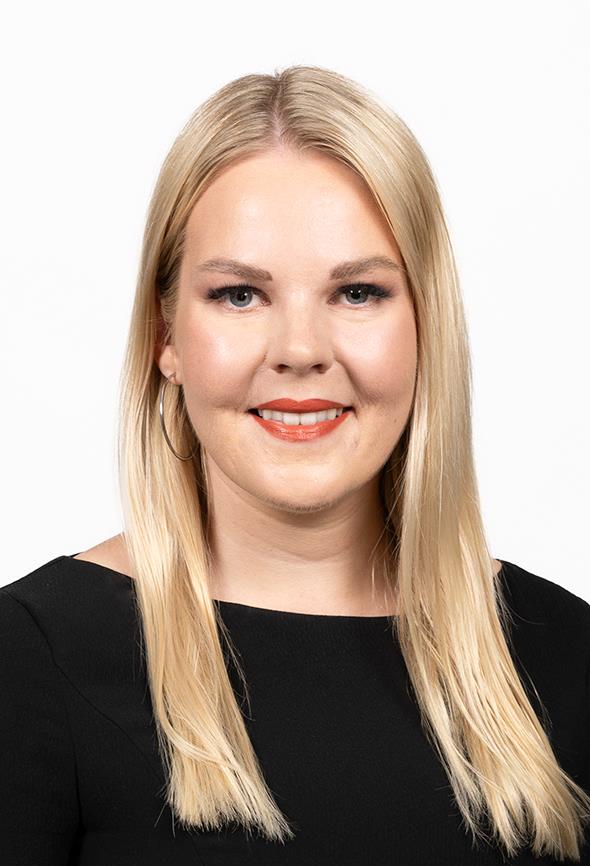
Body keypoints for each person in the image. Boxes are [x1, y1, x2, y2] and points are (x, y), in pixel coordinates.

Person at [1, 64, 589, 865]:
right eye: (240, 295)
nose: (301, 350)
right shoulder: (29, 660)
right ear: (165, 338)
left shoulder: (565, 656)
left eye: (358, 293)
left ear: (428, 328)